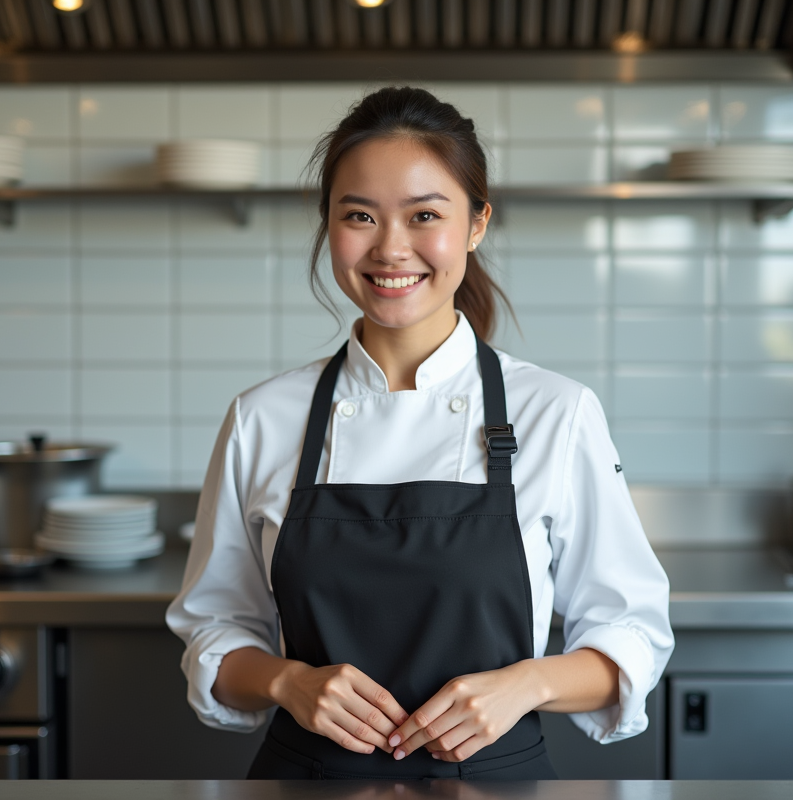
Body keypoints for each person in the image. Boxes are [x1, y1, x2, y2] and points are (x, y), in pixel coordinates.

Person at [166, 86, 673, 780]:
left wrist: (528, 682)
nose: (390, 248)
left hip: (496, 785)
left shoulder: (558, 412)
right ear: (328, 224)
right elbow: (215, 633)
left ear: (475, 224)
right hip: (309, 785)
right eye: (360, 216)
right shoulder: (264, 417)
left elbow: (632, 637)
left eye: (424, 215)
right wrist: (288, 683)